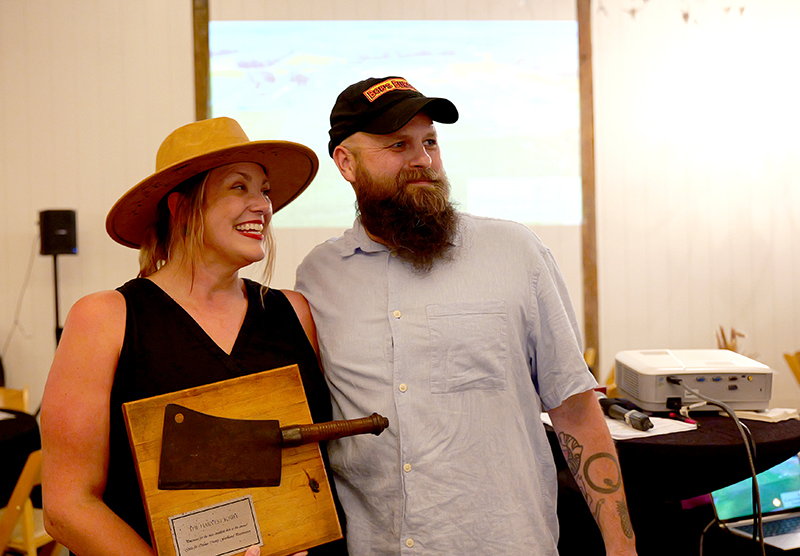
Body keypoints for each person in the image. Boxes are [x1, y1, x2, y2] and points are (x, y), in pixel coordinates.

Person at [295, 76, 638, 555]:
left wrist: (622, 548)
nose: (422, 160)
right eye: (398, 145)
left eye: (430, 142)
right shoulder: (319, 276)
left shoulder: (515, 252)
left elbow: (576, 412)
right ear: (346, 163)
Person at [40, 117, 345, 556]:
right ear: (181, 207)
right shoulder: (105, 319)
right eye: (239, 187)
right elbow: (68, 506)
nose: (262, 205)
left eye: (264, 190)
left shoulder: (294, 313)